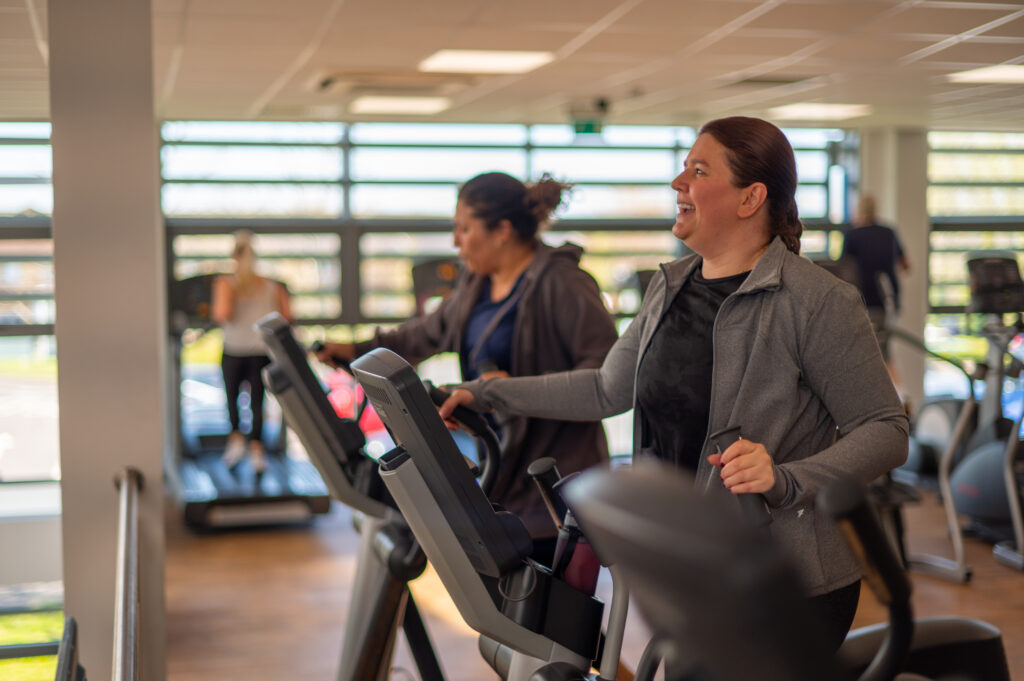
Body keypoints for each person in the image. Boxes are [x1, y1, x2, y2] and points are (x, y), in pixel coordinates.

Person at [439, 118, 909, 653]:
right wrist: (489, 393)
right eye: (684, 167)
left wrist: (787, 478)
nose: (677, 182)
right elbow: (605, 390)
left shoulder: (816, 301)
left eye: (699, 170)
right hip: (688, 565)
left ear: (750, 197)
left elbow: (887, 429)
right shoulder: (671, 285)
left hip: (784, 584)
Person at [316, 171, 619, 561]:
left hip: (554, 490)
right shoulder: (475, 287)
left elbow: (603, 379)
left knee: (551, 616)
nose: (455, 241)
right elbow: (419, 337)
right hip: (502, 477)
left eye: (464, 228)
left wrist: (513, 388)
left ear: (502, 230)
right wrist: (353, 349)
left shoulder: (563, 284)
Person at [211, 230, 293, 473]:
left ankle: (245, 446)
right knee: (256, 402)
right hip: (255, 350)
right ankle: (252, 449)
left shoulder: (227, 283)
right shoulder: (270, 285)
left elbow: (221, 314)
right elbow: (286, 317)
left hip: (240, 350)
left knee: (237, 400)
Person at [841, 193, 911, 392]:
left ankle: (886, 402)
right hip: (887, 301)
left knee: (865, 355)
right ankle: (902, 399)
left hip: (862, 302)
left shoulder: (852, 236)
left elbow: (843, 270)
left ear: (858, 212)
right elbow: (906, 265)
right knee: (884, 353)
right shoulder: (888, 233)